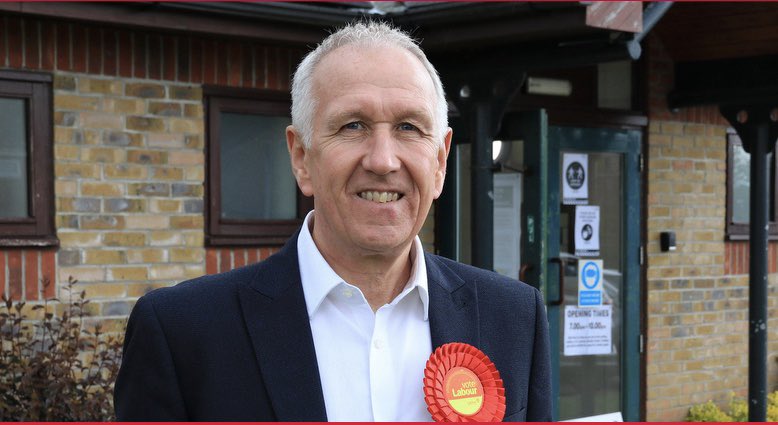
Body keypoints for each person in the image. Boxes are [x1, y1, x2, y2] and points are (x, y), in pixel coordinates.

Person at [114, 21, 551, 422]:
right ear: (301, 157)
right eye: (353, 126)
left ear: (439, 162)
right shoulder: (183, 333)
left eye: (409, 127)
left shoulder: (514, 319)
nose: (383, 160)